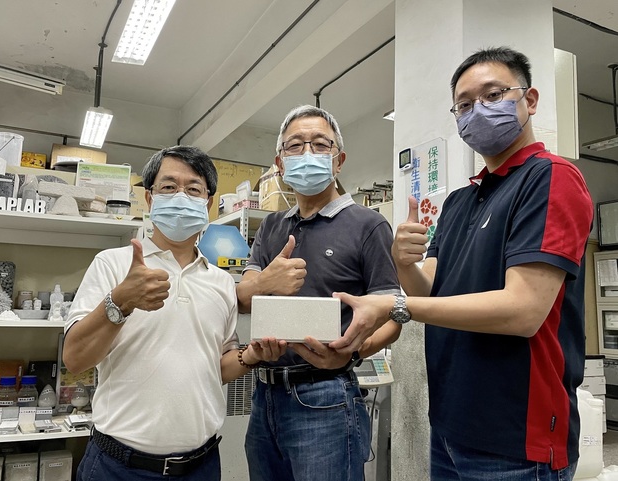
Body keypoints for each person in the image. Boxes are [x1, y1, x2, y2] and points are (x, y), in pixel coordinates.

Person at [330, 47, 594, 480]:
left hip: (517, 440)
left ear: (529, 101)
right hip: (451, 427)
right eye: (465, 105)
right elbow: (427, 288)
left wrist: (395, 307)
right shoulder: (459, 201)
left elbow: (523, 310)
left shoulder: (551, 178)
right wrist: (403, 262)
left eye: (493, 95)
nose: (478, 112)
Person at [63, 145, 277, 481]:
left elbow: (214, 367)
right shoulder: (112, 264)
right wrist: (120, 301)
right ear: (150, 199)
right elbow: (75, 359)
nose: (181, 196)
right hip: (118, 467)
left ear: (208, 203)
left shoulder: (221, 282)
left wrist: (251, 356)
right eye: (168, 187)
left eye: (193, 189)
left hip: (201, 466)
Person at [236, 105, 402, 481]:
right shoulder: (271, 227)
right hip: (264, 396)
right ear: (280, 162)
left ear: (338, 160)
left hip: (325, 395)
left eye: (320, 144)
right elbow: (244, 299)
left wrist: (350, 353)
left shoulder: (368, 225)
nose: (307, 153)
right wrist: (265, 282)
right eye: (295, 146)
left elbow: (393, 316)